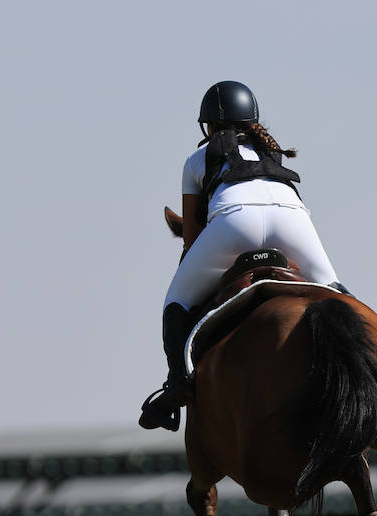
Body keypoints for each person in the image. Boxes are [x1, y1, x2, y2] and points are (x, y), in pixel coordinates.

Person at [138, 80, 342, 431]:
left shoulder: (197, 159)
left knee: (176, 301)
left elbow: (191, 239)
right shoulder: (271, 151)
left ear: (208, 126)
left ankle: (177, 383)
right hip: (291, 220)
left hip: (234, 222)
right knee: (334, 291)